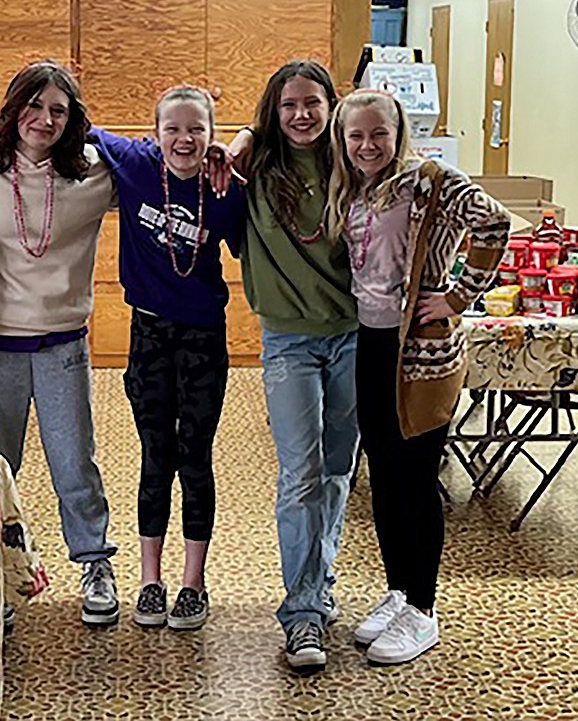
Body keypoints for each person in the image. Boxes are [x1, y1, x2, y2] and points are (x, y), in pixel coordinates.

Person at [324, 89, 508, 665]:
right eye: (356, 135)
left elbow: (494, 224)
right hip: (370, 344)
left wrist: (456, 296)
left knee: (415, 475)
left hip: (420, 353)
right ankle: (399, 590)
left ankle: (423, 610)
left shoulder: (430, 180)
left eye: (378, 133)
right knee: (381, 473)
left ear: (397, 132)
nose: (368, 145)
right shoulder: (352, 186)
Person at [0, 61, 120, 626]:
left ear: (74, 123)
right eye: (34, 105)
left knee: (75, 463)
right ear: (13, 107)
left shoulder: (94, 171)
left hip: (63, 344)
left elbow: (154, 162)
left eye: (58, 111)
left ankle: (94, 562)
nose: (44, 119)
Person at [91, 86, 245, 631]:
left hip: (204, 339)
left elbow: (257, 243)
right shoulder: (135, 166)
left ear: (212, 134)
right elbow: (80, 125)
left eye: (197, 129)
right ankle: (149, 580)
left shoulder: (224, 190)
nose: (184, 139)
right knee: (156, 457)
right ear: (155, 135)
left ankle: (193, 582)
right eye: (173, 129)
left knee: (195, 457)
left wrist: (235, 152)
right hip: (149, 335)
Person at [227, 60, 357, 670]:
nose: (302, 115)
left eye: (312, 102)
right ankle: (302, 613)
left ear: (332, 105)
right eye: (288, 106)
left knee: (337, 469)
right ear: (272, 114)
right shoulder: (252, 169)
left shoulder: (355, 167)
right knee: (299, 473)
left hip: (354, 337)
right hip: (288, 344)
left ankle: (319, 581)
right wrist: (245, 138)